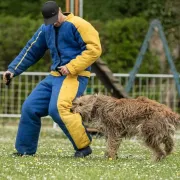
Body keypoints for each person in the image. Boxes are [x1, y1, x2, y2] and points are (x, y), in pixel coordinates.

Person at [3, 1, 102, 157]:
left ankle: (83, 147)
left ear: (60, 11)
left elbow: (94, 49)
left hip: (74, 76)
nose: (54, 23)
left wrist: (71, 67)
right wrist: (12, 70)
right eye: (50, 21)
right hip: (54, 77)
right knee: (30, 107)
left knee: (58, 109)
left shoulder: (78, 24)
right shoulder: (46, 28)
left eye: (55, 18)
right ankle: (25, 151)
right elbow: (31, 50)